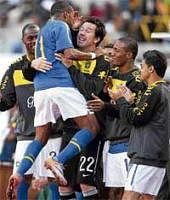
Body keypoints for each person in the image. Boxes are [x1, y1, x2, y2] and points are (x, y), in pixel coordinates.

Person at [7, 1, 102, 198]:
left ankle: (18, 172)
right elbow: (69, 54)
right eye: (72, 15)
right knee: (91, 127)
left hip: (41, 89)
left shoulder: (43, 30)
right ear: (66, 13)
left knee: (40, 137)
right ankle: (59, 160)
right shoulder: (60, 26)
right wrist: (94, 55)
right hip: (60, 85)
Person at [1, 23, 61, 200]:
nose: (34, 41)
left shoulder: (55, 61)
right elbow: (6, 102)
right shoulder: (14, 68)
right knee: (21, 180)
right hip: (27, 135)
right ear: (23, 41)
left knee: (55, 180)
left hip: (54, 134)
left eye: (37, 37)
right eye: (30, 38)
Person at [87, 37, 145, 200]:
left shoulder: (138, 79)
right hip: (110, 140)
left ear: (129, 55)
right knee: (111, 191)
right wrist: (104, 94)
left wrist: (105, 106)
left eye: (117, 50)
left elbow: (132, 114)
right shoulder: (111, 74)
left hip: (127, 142)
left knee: (128, 192)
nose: (112, 52)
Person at [109, 50, 169, 200]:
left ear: (151, 69)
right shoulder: (166, 91)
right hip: (159, 156)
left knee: (129, 196)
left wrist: (121, 99)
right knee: (148, 198)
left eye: (142, 67)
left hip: (145, 154)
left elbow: (136, 118)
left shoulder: (153, 90)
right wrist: (130, 102)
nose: (139, 70)